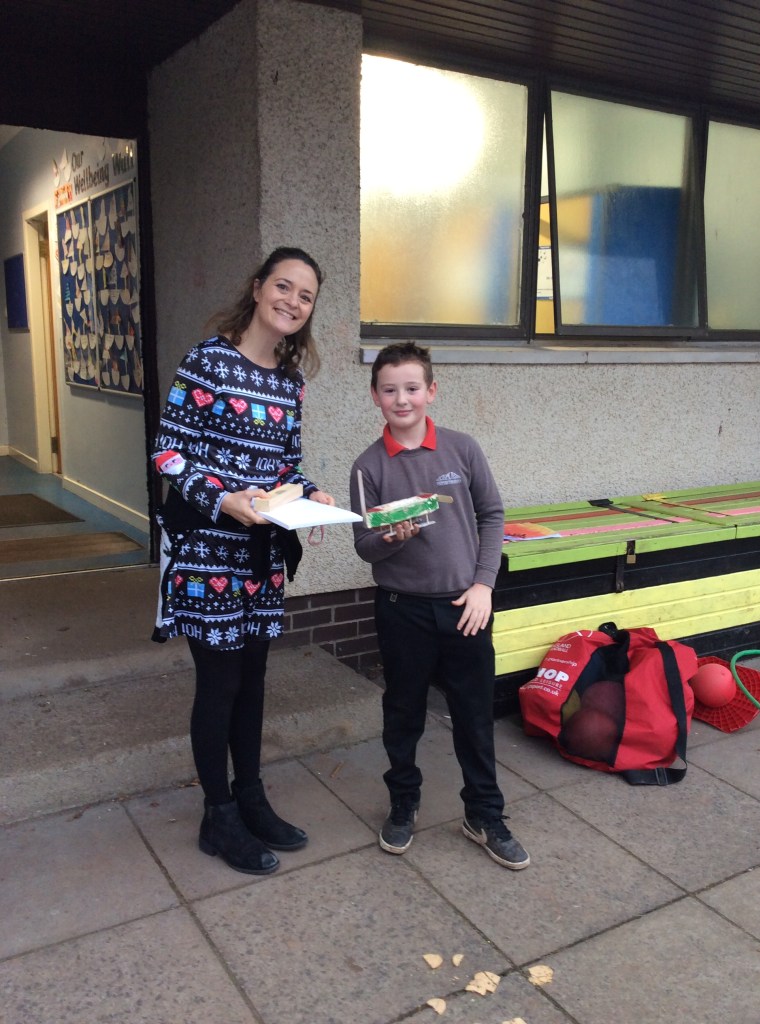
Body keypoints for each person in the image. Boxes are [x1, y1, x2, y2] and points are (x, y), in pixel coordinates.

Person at [152, 246, 335, 876]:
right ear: (258, 289)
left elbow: (286, 467)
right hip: (206, 552)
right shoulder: (208, 360)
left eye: (305, 295)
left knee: (253, 680)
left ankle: (252, 798)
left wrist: (311, 495)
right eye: (283, 286)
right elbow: (168, 453)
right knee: (220, 681)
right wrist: (223, 499)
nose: (292, 301)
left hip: (261, 558)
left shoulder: (289, 382)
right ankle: (218, 814)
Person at [349, 342, 530, 870]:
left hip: (465, 605)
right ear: (375, 397)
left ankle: (484, 813)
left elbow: (493, 515)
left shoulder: (461, 449)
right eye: (390, 389)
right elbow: (364, 546)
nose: (401, 399)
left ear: (431, 391)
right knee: (403, 714)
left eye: (411, 387)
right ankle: (403, 801)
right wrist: (392, 538)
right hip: (401, 609)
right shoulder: (367, 467)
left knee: (475, 715)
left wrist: (484, 585)